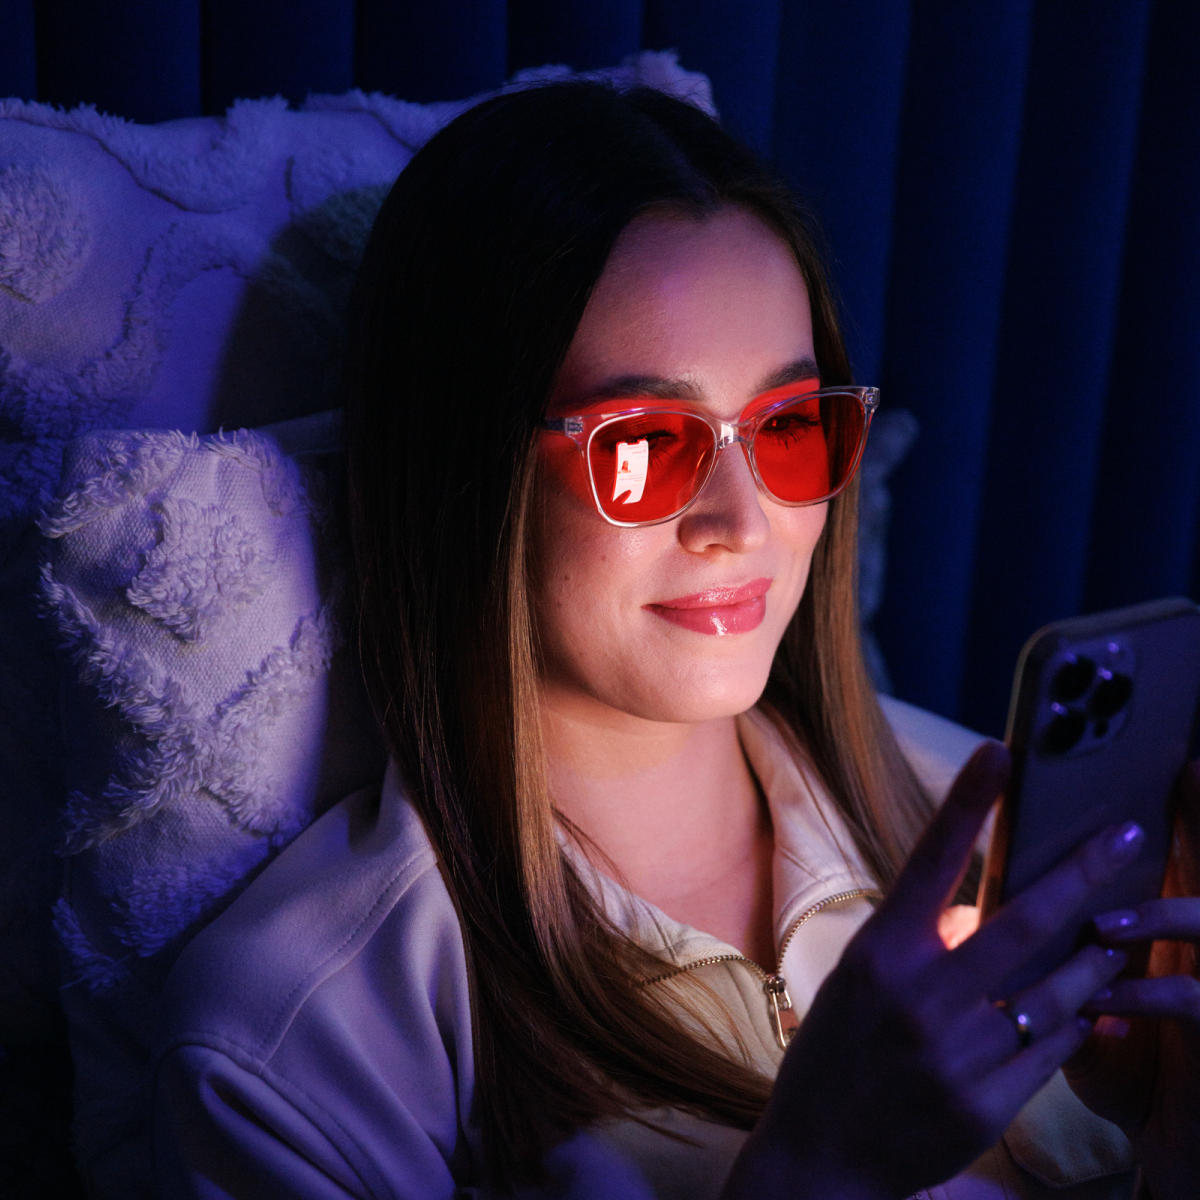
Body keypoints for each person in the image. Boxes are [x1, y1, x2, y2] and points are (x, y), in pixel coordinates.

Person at [151, 82, 1200, 1199]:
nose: (744, 522)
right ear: (463, 473)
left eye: (789, 427)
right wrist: (813, 1172)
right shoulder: (297, 1048)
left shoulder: (980, 822)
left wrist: (1177, 1144)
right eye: (646, 444)